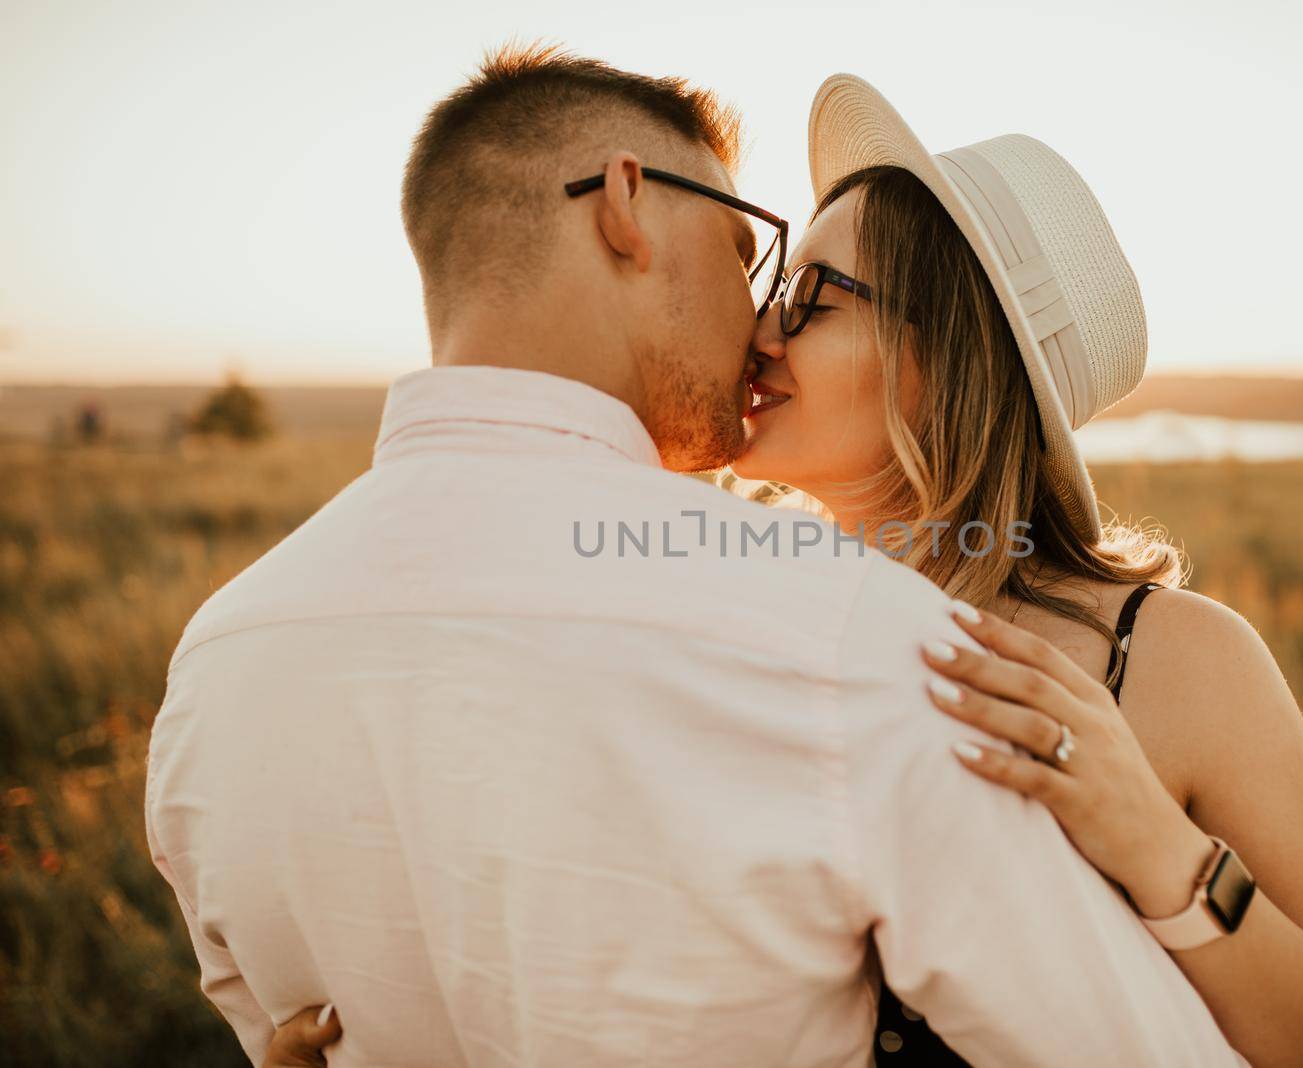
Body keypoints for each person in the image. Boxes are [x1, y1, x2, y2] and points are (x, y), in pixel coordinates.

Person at [146, 46, 1243, 1068]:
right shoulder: (845, 641)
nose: (760, 321)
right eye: (747, 249)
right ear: (626, 205)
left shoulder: (213, 666)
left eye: (807, 294)